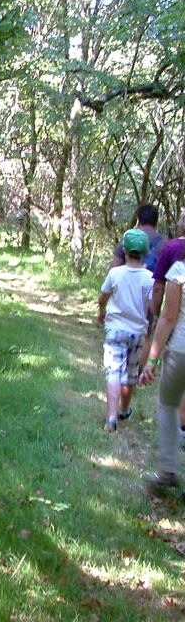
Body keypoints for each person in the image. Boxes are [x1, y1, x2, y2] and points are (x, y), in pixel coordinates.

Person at [98, 228, 153, 432]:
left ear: (125, 250)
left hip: (115, 329)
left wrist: (102, 310)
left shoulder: (115, 273)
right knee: (130, 374)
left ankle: (111, 418)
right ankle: (124, 409)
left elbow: (103, 296)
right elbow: (152, 307)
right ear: (145, 252)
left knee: (113, 371)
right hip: (137, 332)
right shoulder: (150, 278)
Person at [139, 249, 185, 497]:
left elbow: (168, 318)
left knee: (168, 404)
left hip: (180, 350)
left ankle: (168, 470)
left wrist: (152, 361)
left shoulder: (180, 271)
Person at [109, 203, 165, 271]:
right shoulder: (163, 245)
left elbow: (114, 268)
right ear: (156, 222)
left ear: (138, 221)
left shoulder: (128, 240)